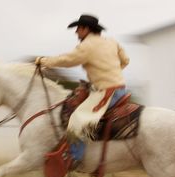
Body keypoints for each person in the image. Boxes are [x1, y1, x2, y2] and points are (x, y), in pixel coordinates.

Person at [35, 14, 130, 164]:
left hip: (106, 93)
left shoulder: (86, 46)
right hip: (120, 89)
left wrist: (43, 61)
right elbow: (125, 60)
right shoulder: (112, 42)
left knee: (77, 119)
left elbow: (66, 60)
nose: (76, 32)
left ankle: (74, 158)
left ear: (86, 29)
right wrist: (110, 73)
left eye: (78, 28)